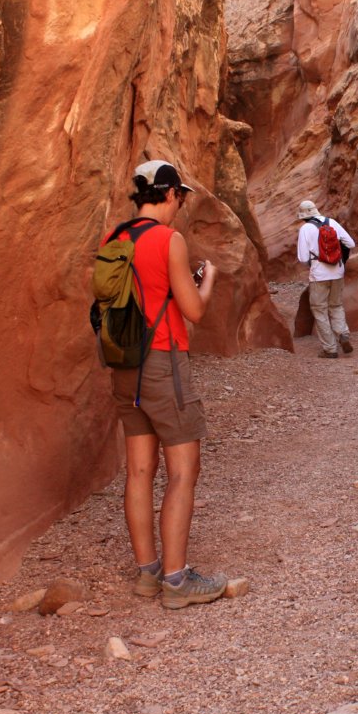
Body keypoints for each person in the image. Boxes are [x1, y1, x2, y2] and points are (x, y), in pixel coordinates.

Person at [106, 159, 229, 609]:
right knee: (182, 471)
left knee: (139, 472)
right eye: (180, 197)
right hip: (163, 363)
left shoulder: (115, 237)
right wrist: (207, 281)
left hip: (125, 365)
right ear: (171, 193)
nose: (180, 205)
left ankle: (148, 573)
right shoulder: (169, 239)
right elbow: (194, 310)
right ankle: (177, 582)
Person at [295, 200, 356, 358]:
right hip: (338, 271)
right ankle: (343, 334)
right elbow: (350, 243)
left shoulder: (305, 229)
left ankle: (330, 349)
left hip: (319, 275)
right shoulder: (331, 222)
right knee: (336, 305)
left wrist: (314, 260)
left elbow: (302, 257)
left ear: (302, 215)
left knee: (319, 309)